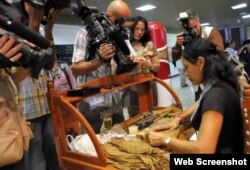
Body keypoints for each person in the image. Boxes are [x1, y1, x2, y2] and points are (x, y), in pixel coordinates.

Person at [148, 38, 244, 154]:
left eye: (186, 67)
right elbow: (201, 101)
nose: (186, 73)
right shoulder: (220, 84)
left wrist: (164, 139)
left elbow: (204, 150)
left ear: (200, 62)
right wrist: (180, 118)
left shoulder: (215, 96)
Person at [71, 0, 132, 133]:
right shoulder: (85, 33)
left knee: (121, 139)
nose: (126, 23)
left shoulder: (120, 34)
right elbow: (75, 69)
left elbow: (128, 60)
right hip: (92, 102)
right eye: (122, 20)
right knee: (91, 143)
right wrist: (99, 60)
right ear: (109, 17)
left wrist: (133, 61)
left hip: (116, 99)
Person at [15, 1, 60, 170]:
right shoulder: (10, 28)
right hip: (24, 110)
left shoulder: (40, 30)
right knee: (34, 164)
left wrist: (48, 30)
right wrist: (33, 22)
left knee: (52, 161)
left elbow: (48, 64)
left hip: (44, 106)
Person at [172, 9, 224, 100]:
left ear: (199, 22)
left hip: (214, 79)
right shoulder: (185, 37)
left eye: (196, 26)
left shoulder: (210, 32)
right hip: (197, 82)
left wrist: (200, 46)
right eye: (190, 28)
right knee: (199, 103)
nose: (194, 31)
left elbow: (220, 53)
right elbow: (175, 58)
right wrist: (178, 45)